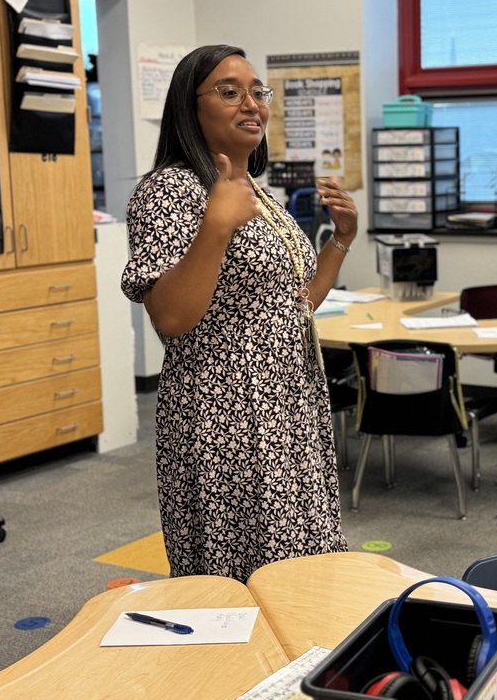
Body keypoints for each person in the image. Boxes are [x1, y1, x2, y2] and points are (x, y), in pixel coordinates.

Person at [120, 44, 357, 582]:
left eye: (257, 91)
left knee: (305, 569)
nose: (251, 103)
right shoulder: (168, 192)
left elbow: (293, 303)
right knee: (241, 579)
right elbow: (171, 318)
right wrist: (216, 226)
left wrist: (341, 241)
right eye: (229, 92)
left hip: (288, 409)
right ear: (190, 106)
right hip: (225, 419)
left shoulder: (254, 191)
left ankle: (303, 666)